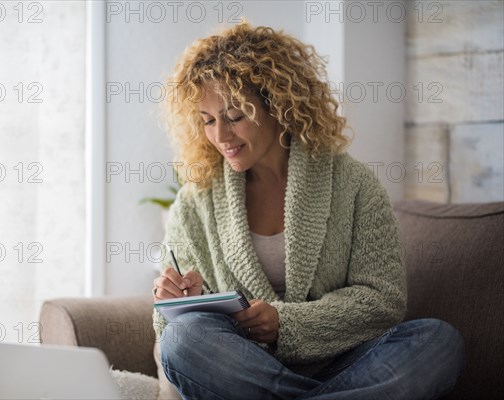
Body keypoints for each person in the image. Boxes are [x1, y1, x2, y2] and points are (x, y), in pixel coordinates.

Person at [151, 21, 465, 400]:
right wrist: (180, 299)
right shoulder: (195, 201)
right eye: (208, 121)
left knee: (437, 341)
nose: (221, 136)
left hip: (345, 363)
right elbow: (174, 331)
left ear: (278, 105)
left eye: (235, 116)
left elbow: (383, 301)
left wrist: (286, 322)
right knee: (184, 340)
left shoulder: (353, 184)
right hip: (241, 368)